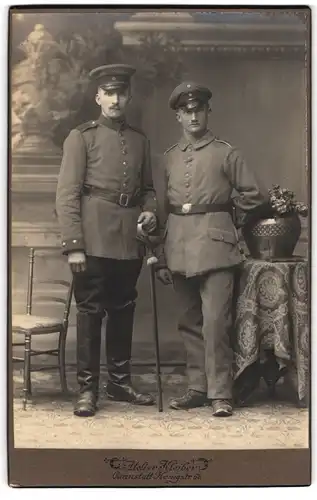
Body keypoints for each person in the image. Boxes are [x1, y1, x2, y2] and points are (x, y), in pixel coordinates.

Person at [156, 81, 269, 417]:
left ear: (207, 112)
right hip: (178, 244)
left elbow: (255, 196)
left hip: (217, 246)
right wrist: (161, 253)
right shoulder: (169, 158)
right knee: (189, 321)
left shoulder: (226, 152)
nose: (193, 116)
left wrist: (230, 221)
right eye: (186, 111)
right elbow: (163, 209)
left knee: (216, 321)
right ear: (178, 116)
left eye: (198, 110)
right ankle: (197, 387)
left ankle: (221, 392)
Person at [56, 64, 158, 417]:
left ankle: (118, 382)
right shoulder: (81, 137)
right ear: (98, 97)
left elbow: (148, 190)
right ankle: (87, 389)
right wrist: (74, 245)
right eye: (109, 93)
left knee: (123, 309)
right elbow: (67, 194)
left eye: (121, 93)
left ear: (129, 97)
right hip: (93, 237)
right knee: (90, 311)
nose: (115, 99)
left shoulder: (140, 140)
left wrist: (150, 211)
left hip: (129, 239)